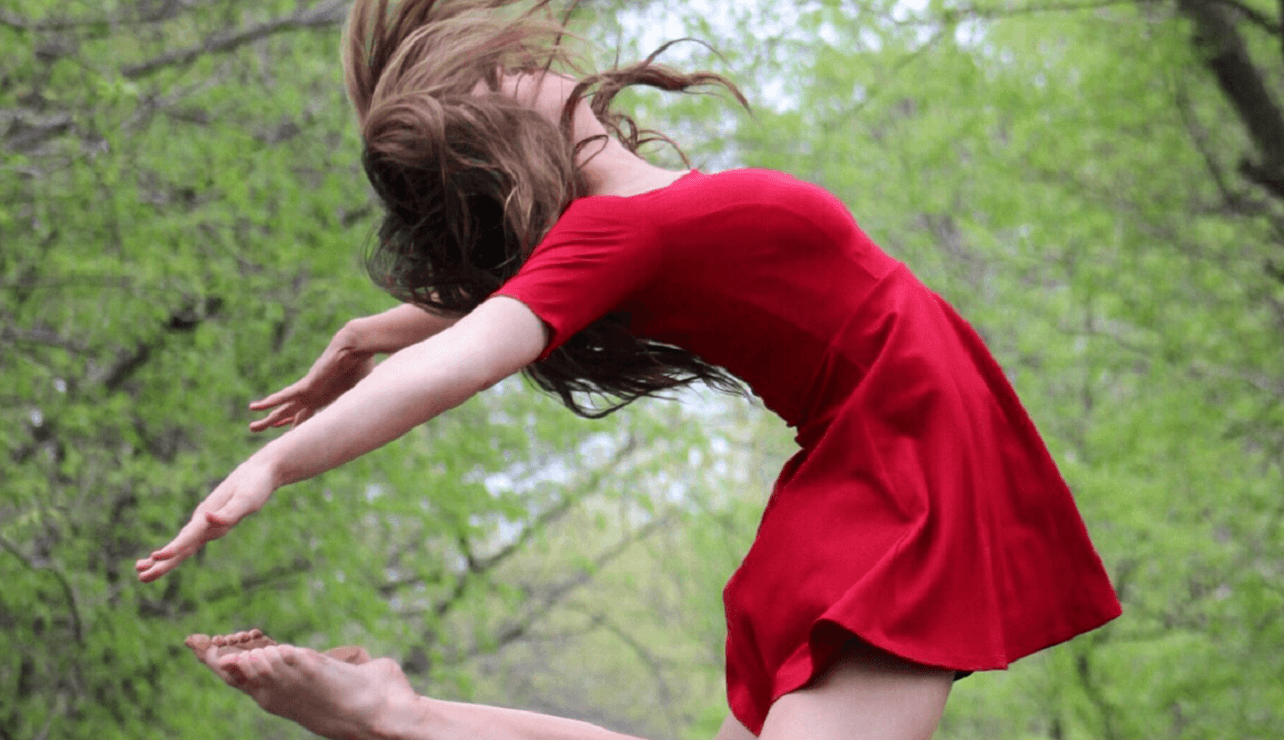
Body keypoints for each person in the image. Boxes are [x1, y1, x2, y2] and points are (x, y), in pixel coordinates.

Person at [134, 1, 1122, 738]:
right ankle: (403, 718)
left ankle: (405, 714)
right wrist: (278, 463)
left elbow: (496, 307)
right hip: (899, 466)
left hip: (881, 458)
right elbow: (466, 358)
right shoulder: (611, 233)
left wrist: (370, 328)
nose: (528, 59)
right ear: (491, 137)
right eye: (497, 71)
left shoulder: (621, 231)